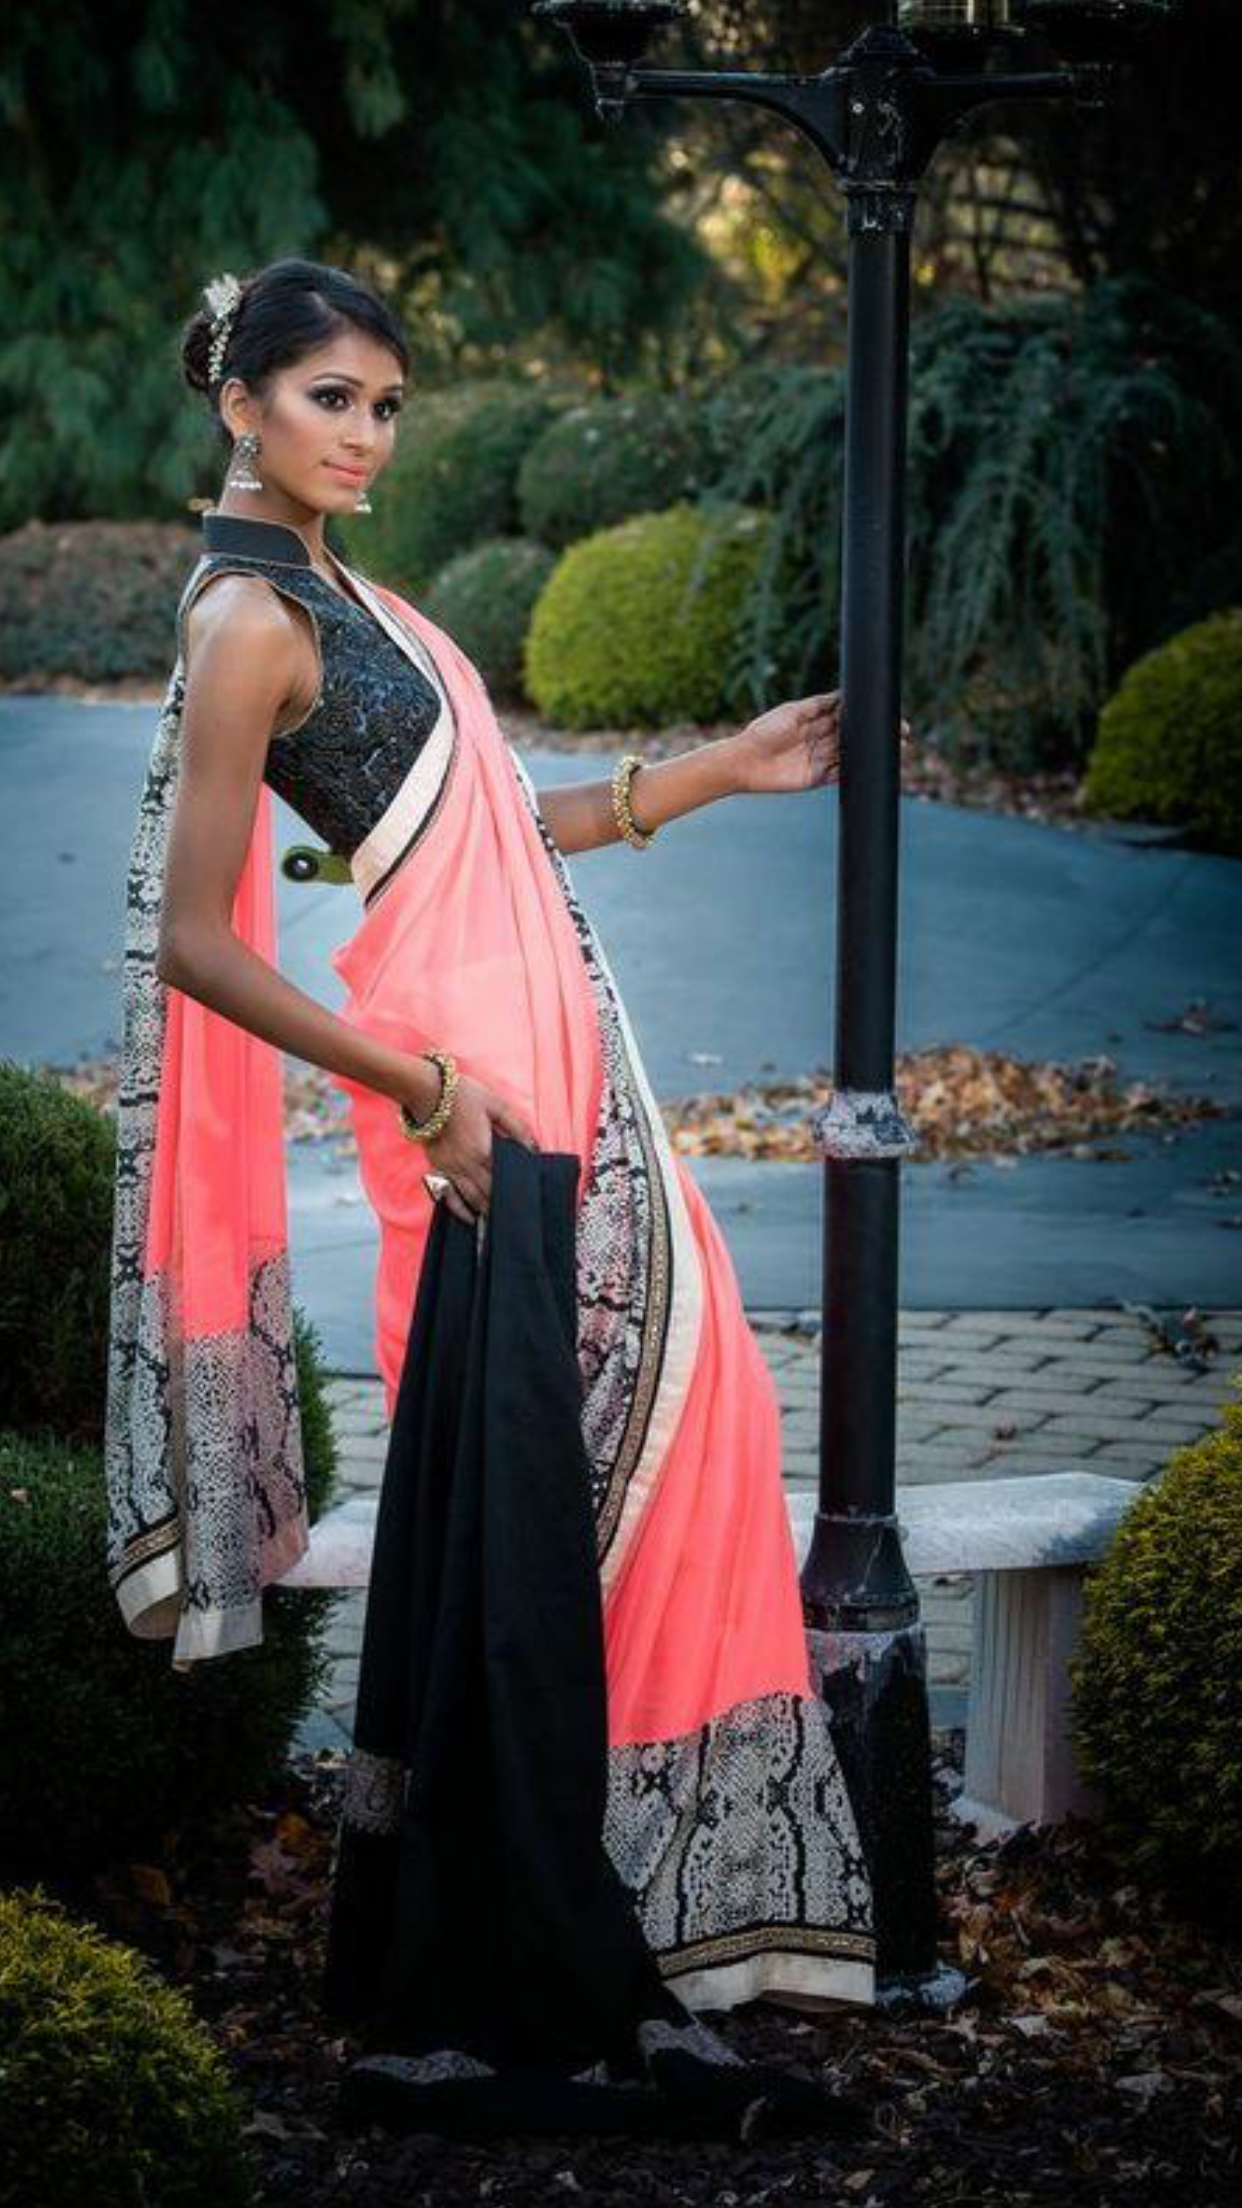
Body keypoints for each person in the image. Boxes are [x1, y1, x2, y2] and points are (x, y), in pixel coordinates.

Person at [103, 256, 892, 2138]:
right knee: (542, 1522)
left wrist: (714, 774)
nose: (366, 434)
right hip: (466, 1101)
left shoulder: (343, 597)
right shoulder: (244, 624)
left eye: (385, 404)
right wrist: (427, 1089)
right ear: (241, 403)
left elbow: (468, 827)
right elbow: (202, 946)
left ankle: (604, 1948)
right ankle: (540, 1977)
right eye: (331, 400)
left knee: (656, 1475)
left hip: (547, 1067)